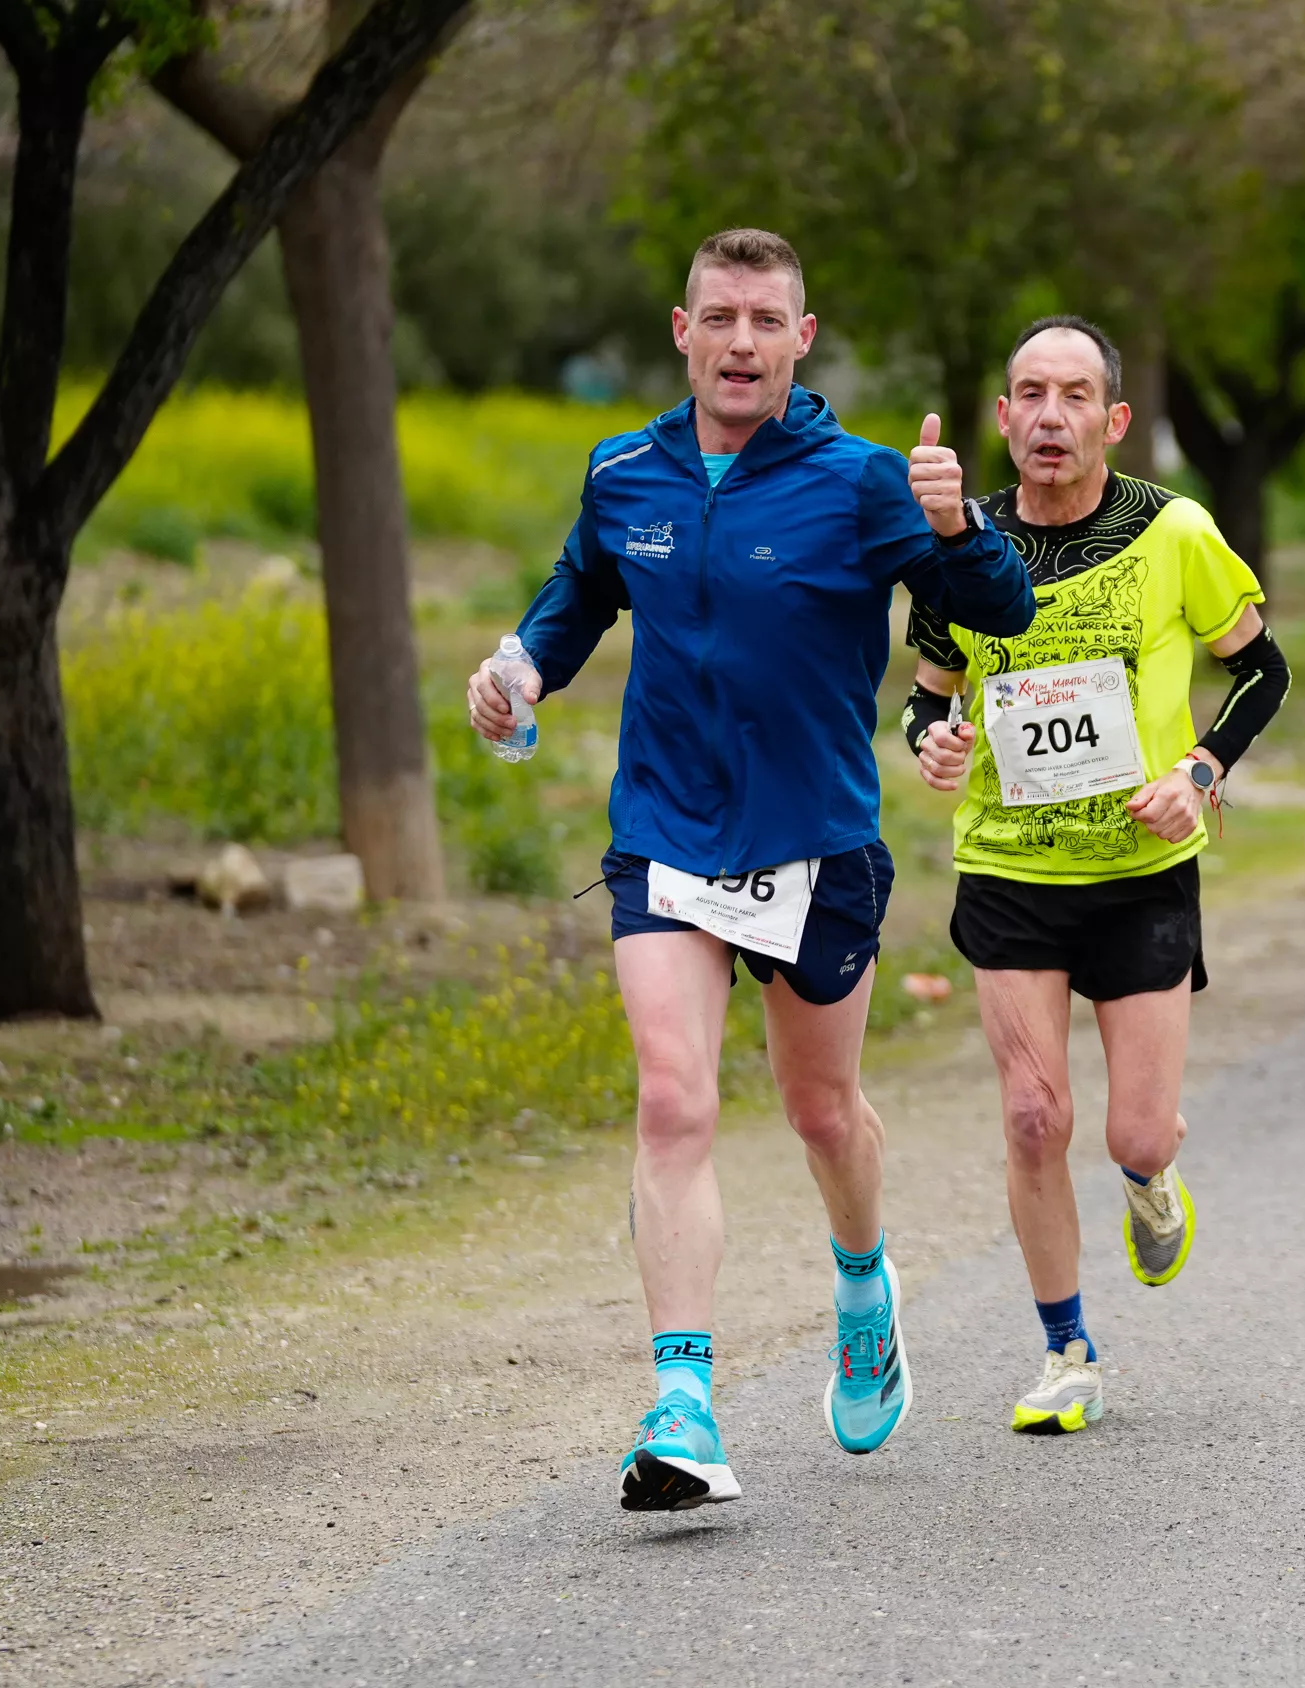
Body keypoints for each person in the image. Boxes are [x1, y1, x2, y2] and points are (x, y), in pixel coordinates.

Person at [467, 229, 1038, 1511]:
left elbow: (999, 611)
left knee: (821, 1112)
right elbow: (573, 599)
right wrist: (516, 671)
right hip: (666, 834)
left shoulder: (860, 482)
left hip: (816, 841)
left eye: (763, 320)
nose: (739, 342)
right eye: (717, 316)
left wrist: (956, 525)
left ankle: (861, 1277)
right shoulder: (625, 474)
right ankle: (682, 1401)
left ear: (801, 337)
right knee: (672, 1100)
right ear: (682, 330)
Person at [904, 316, 1285, 1435]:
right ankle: (1066, 1348)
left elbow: (1262, 667)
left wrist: (1203, 771)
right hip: (1010, 863)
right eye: (1032, 393)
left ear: (1114, 420)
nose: (1052, 415)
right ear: (1003, 416)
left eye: (1077, 395)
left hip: (1141, 865)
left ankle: (1150, 1181)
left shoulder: (1177, 532)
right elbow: (930, 693)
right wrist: (930, 740)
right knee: (1031, 1115)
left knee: (1135, 1132)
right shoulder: (957, 548)